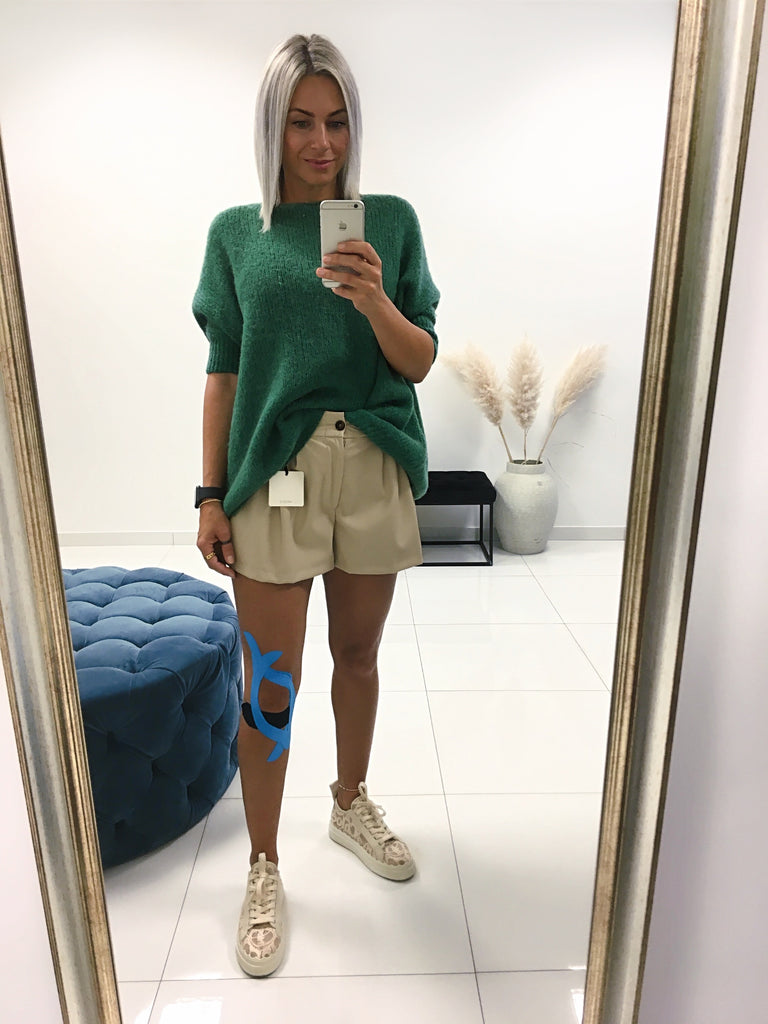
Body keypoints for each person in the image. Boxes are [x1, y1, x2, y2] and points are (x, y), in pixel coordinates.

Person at [192, 33, 439, 978]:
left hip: (371, 461)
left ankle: (349, 802)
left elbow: (419, 361)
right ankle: (262, 865)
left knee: (359, 656)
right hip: (273, 473)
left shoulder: (391, 222)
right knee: (270, 683)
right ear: (273, 127)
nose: (321, 142)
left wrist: (375, 300)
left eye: (336, 122)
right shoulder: (236, 233)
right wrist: (210, 494)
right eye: (300, 122)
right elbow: (223, 374)